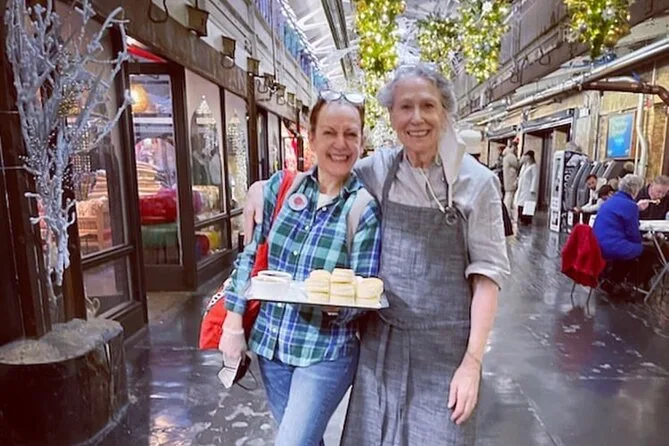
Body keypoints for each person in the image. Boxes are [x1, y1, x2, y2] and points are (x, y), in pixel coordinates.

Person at [243, 62, 510, 445]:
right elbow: (327, 171)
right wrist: (262, 187)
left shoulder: (478, 183)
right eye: (405, 107)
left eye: (427, 106)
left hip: (446, 351)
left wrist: (472, 363)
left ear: (445, 111)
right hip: (381, 343)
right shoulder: (379, 170)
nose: (416, 118)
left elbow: (487, 278)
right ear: (391, 116)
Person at [219, 91, 382, 446]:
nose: (340, 144)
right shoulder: (281, 188)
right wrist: (233, 322)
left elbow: (363, 290)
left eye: (351, 134)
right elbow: (250, 256)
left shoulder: (363, 208)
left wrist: (335, 306)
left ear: (361, 140)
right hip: (272, 346)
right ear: (312, 137)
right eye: (329, 132)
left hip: (324, 351)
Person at [593, 175, 657, 290]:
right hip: (613, 247)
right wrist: (644, 239)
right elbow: (633, 235)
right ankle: (632, 283)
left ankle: (614, 279)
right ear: (635, 190)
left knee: (632, 248)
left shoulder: (610, 201)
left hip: (598, 244)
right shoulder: (630, 205)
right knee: (649, 251)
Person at [514, 150, 538, 225]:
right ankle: (521, 218)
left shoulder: (533, 166)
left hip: (528, 189)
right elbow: (521, 175)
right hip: (522, 188)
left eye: (527, 156)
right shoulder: (525, 166)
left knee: (528, 205)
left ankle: (526, 220)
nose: (525, 158)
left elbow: (535, 177)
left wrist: (533, 188)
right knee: (520, 204)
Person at [502, 141, 519, 214]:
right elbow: (517, 165)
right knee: (509, 198)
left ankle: (508, 213)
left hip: (508, 180)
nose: (516, 149)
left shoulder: (506, 156)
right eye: (515, 147)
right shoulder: (511, 156)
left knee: (508, 197)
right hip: (511, 180)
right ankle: (507, 212)